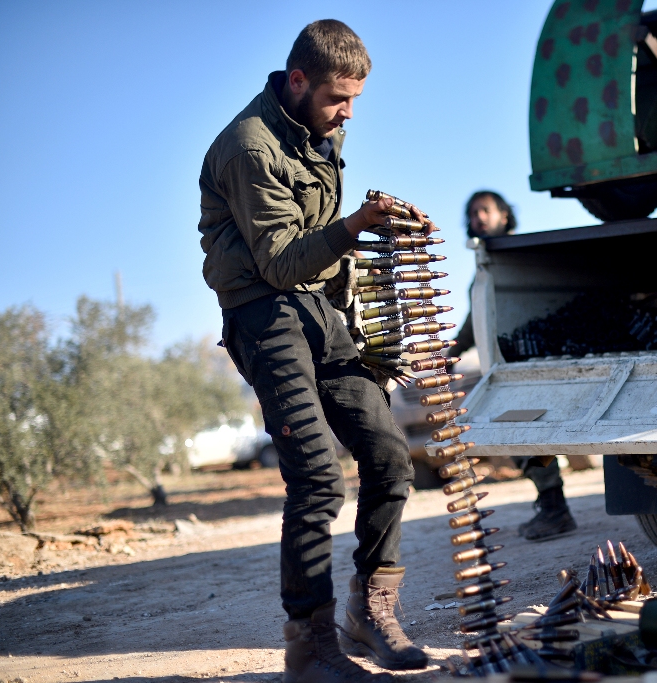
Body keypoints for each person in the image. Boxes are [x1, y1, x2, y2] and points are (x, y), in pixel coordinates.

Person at [198, 20, 428, 683]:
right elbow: (276, 261)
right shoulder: (249, 147)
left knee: (388, 453)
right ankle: (313, 646)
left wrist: (380, 222)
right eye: (337, 98)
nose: (348, 113)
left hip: (319, 310)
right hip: (263, 312)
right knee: (317, 477)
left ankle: (372, 609)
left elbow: (316, 243)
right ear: (297, 81)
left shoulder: (319, 130)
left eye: (355, 100)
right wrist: (353, 227)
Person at [456, 191, 578, 542]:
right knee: (522, 436)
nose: (479, 217)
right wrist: (453, 348)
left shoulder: (519, 254)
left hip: (531, 364)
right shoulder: (487, 263)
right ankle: (553, 507)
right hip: (507, 368)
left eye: (486, 210)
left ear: (504, 216)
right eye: (473, 212)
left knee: (526, 433)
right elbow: (475, 319)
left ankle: (555, 510)